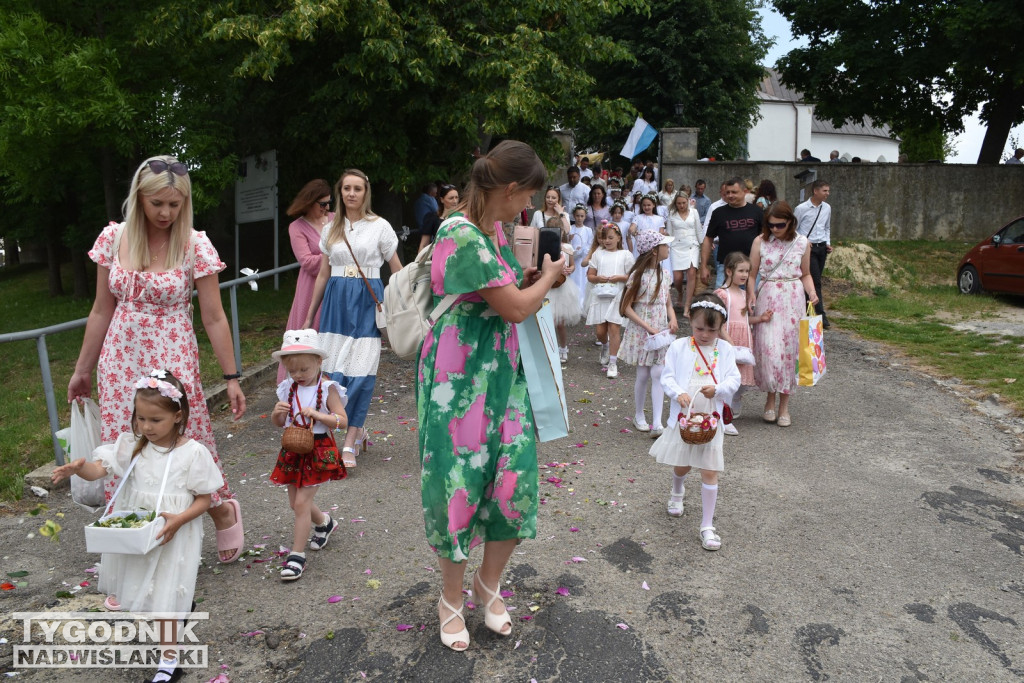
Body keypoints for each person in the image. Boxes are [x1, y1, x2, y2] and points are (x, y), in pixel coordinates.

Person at [417, 140, 564, 652]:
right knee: (457, 482)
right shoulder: (460, 234)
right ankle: (451, 598)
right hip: (458, 377)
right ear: (508, 188)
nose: (527, 209)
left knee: (513, 481)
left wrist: (524, 280)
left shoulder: (494, 232)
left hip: (501, 369)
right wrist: (546, 278)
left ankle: (488, 586)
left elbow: (501, 293)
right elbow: (519, 310)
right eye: (526, 197)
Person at [68, 155, 245, 565]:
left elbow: (214, 315)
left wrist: (232, 376)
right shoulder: (114, 238)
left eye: (175, 204)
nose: (166, 213)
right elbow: (100, 309)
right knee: (126, 447)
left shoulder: (194, 244)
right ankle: (129, 545)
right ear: (138, 198)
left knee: (185, 442)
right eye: (157, 204)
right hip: (120, 361)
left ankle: (220, 508)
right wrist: (81, 369)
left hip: (173, 356)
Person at [53, 370, 224, 683]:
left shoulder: (192, 453)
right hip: (138, 533)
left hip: (174, 533)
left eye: (155, 420)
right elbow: (100, 469)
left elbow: (205, 499)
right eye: (141, 418)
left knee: (166, 597)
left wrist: (180, 519)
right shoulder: (132, 445)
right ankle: (179, 612)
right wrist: (80, 469)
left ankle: (169, 663)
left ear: (177, 415)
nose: (146, 426)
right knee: (151, 590)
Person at [305, 169, 402, 468]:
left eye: (357, 188)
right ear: (340, 192)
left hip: (366, 299)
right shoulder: (330, 228)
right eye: (346, 188)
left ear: (365, 192)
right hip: (336, 302)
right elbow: (322, 273)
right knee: (332, 373)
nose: (351, 194)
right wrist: (311, 316)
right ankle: (342, 435)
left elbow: (397, 271)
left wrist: (405, 307)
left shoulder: (380, 227)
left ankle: (351, 439)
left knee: (362, 371)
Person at [649, 293, 739, 550]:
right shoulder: (679, 347)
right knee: (683, 465)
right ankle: (677, 491)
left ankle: (707, 526)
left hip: (711, 418)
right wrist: (679, 393)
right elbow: (667, 378)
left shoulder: (725, 349)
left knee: (710, 470)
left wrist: (719, 388)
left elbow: (734, 379)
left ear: (721, 327)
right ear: (690, 321)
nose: (705, 334)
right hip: (685, 416)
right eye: (700, 328)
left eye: (712, 330)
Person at [269, 330, 349, 581]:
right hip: (294, 448)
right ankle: (325, 522)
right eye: (292, 371)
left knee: (301, 504)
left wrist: (320, 415)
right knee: (295, 503)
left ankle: (296, 556)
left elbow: (342, 421)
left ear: (318, 362)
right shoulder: (288, 388)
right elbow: (280, 423)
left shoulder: (327, 389)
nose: (298, 376)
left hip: (317, 449)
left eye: (303, 369)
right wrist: (277, 413)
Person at [747, 201, 818, 427]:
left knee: (789, 352)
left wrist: (812, 293)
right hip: (768, 296)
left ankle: (784, 405)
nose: (776, 229)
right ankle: (769, 398)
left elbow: (805, 273)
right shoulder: (760, 241)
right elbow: (752, 274)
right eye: (771, 225)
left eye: (780, 225)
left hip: (793, 297)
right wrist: (751, 295)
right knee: (769, 351)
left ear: (790, 222)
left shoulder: (802, 243)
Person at [619, 231, 677, 436]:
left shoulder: (665, 274)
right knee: (643, 374)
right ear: (654, 251)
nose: (668, 249)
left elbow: (667, 302)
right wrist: (647, 327)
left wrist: (672, 318)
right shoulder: (638, 276)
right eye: (664, 245)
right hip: (643, 331)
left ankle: (658, 422)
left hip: (660, 330)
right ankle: (639, 415)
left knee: (658, 373)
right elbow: (626, 307)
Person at [279, 179, 333, 382]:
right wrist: (333, 254)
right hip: (311, 287)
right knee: (310, 334)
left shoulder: (335, 219)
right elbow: (307, 262)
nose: (327, 208)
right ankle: (303, 382)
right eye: (322, 204)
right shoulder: (297, 227)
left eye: (329, 203)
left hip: (336, 284)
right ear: (309, 202)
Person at [714, 252, 771, 436]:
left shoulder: (745, 293)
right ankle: (725, 417)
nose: (745, 275)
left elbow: (745, 319)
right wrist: (726, 339)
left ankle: (735, 400)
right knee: (728, 377)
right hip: (727, 340)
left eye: (748, 271)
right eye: (741, 271)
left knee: (742, 378)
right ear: (729, 271)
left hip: (743, 340)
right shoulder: (722, 294)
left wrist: (760, 319)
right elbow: (717, 321)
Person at [587, 223, 634, 378]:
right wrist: (597, 278)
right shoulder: (598, 254)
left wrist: (620, 277)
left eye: (611, 237)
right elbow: (590, 275)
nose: (607, 241)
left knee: (614, 328)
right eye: (604, 238)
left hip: (618, 295)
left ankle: (613, 363)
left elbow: (633, 276)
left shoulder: (626, 254)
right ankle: (605, 346)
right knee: (601, 331)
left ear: (619, 238)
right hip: (601, 295)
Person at [700, 177, 762, 289]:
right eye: (727, 192)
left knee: (751, 300)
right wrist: (703, 266)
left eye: (734, 192)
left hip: (751, 266)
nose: (730, 195)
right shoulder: (718, 213)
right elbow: (708, 239)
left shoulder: (756, 212)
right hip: (725, 265)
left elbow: (765, 239)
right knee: (723, 299)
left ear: (745, 191)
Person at [794, 179, 833, 329]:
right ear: (815, 191)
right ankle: (820, 317)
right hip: (807, 248)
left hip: (821, 247)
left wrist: (827, 242)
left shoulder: (827, 208)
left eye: (828, 191)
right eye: (825, 191)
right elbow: (794, 228)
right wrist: (803, 241)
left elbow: (827, 227)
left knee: (813, 281)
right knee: (814, 281)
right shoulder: (801, 208)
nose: (827, 194)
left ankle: (806, 311)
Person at [545, 218, 583, 364]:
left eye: (559, 231)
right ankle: (549, 348)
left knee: (560, 321)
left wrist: (569, 269)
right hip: (549, 286)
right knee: (548, 320)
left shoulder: (567, 247)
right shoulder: (545, 247)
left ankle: (563, 347)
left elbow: (573, 265)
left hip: (563, 286)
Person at [666, 190, 702, 315]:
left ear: (688, 201)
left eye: (683, 203)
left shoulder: (694, 212)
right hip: (677, 247)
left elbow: (699, 230)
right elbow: (670, 233)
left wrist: (703, 244)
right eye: (679, 203)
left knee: (692, 273)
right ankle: (680, 292)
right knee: (677, 278)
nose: (681, 205)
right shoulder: (672, 213)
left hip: (692, 246)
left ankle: (687, 306)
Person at [568, 204, 595, 309]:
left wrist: (584, 250)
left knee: (583, 280)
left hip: (583, 259)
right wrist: (572, 247)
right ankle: (573, 303)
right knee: (573, 280)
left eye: (582, 216)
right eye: (577, 216)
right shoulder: (571, 229)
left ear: (585, 217)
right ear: (574, 216)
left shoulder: (588, 230)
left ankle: (583, 302)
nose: (579, 218)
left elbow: (590, 244)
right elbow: (567, 243)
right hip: (573, 259)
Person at [419, 183, 460, 251]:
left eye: (456, 197)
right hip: (439, 256)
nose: (455, 201)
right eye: (451, 198)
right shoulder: (432, 218)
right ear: (442, 200)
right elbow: (424, 244)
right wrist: (419, 261)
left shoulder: (462, 217)